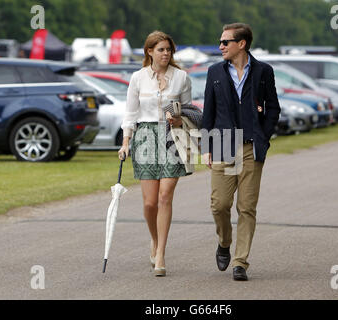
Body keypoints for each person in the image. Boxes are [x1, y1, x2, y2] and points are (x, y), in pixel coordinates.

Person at [201, 23, 280, 281]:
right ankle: (224, 242)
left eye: (226, 42)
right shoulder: (214, 72)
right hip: (223, 143)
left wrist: (263, 137)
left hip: (250, 147)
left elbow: (273, 108)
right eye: (221, 42)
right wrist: (205, 147)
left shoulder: (263, 71)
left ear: (241, 44)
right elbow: (208, 113)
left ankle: (240, 262)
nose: (220, 46)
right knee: (219, 205)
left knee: (246, 207)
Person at [118, 31, 192, 277]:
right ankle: (154, 238)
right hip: (145, 137)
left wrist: (180, 118)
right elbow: (130, 114)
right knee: (149, 203)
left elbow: (190, 111)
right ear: (149, 51)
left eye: (169, 50)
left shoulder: (181, 77)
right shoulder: (138, 78)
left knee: (164, 197)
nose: (166, 54)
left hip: (172, 136)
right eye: (161, 49)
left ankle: (160, 253)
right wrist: (125, 142)